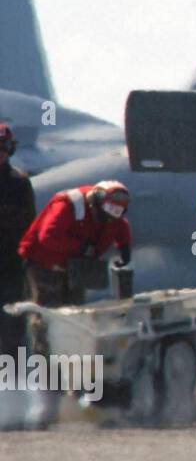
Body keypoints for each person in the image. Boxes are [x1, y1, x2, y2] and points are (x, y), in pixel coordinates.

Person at [18, 180, 132, 307]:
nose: (110, 216)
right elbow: (48, 236)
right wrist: (80, 247)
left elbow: (120, 225)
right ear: (95, 203)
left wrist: (124, 246)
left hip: (74, 266)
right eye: (110, 209)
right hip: (44, 263)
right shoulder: (68, 204)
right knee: (48, 312)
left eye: (116, 211)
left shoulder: (111, 215)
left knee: (76, 310)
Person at [0, 124, 36, 359]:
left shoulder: (19, 182)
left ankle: (13, 379)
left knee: (12, 321)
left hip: (10, 262)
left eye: (4, 147)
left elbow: (29, 223)